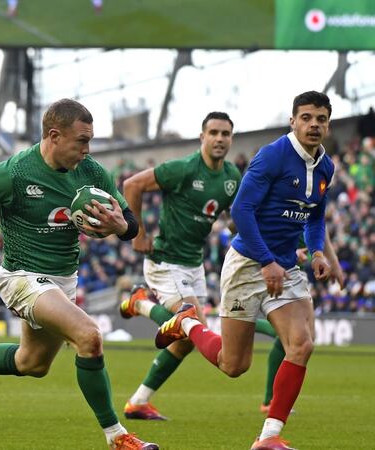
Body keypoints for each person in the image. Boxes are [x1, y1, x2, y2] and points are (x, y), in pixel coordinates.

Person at [0, 99, 158, 449]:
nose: (88, 150)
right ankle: (117, 436)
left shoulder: (91, 172)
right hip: (21, 277)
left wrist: (122, 225)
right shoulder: (13, 174)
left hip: (62, 281)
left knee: (33, 363)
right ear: (54, 136)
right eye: (82, 141)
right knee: (89, 336)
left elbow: (130, 224)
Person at [155, 91, 335, 450]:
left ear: (328, 124)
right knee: (233, 365)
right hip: (249, 264)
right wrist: (266, 260)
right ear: (293, 121)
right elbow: (240, 211)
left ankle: (268, 438)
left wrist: (317, 252)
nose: (314, 124)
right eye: (307, 117)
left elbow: (315, 216)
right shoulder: (273, 156)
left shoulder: (325, 167)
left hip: (286, 266)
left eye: (321, 119)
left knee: (301, 345)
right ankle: (188, 322)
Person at [119, 112, 284, 420]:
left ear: (231, 139)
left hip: (194, 265)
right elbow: (133, 184)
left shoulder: (232, 177)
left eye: (226, 134)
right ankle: (139, 303)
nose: (220, 139)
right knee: (195, 327)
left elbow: (236, 220)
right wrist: (138, 233)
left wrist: (263, 240)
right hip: (166, 261)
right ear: (202, 137)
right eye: (214, 133)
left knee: (185, 342)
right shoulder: (182, 169)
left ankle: (139, 402)